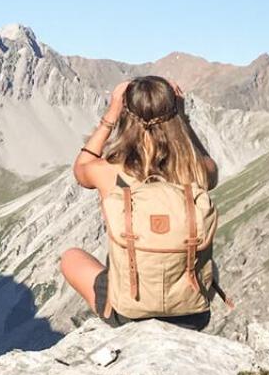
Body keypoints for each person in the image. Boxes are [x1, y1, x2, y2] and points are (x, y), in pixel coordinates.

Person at [59, 75, 224, 330]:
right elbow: (209, 165)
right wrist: (182, 118)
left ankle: (118, 309)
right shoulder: (197, 170)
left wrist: (111, 114)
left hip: (127, 313)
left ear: (126, 114)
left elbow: (81, 168)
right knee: (204, 257)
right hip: (192, 314)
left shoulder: (109, 171)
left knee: (70, 258)